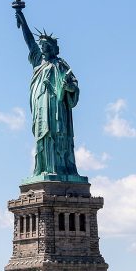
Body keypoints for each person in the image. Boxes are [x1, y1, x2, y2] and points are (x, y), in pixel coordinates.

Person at [15, 10, 80, 179]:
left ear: (52, 48)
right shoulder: (38, 61)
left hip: (57, 107)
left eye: (45, 46)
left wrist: (68, 87)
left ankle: (61, 169)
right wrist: (22, 18)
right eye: (41, 46)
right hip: (40, 104)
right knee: (42, 135)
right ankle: (43, 168)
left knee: (57, 134)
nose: (42, 48)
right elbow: (29, 41)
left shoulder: (61, 65)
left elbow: (74, 87)